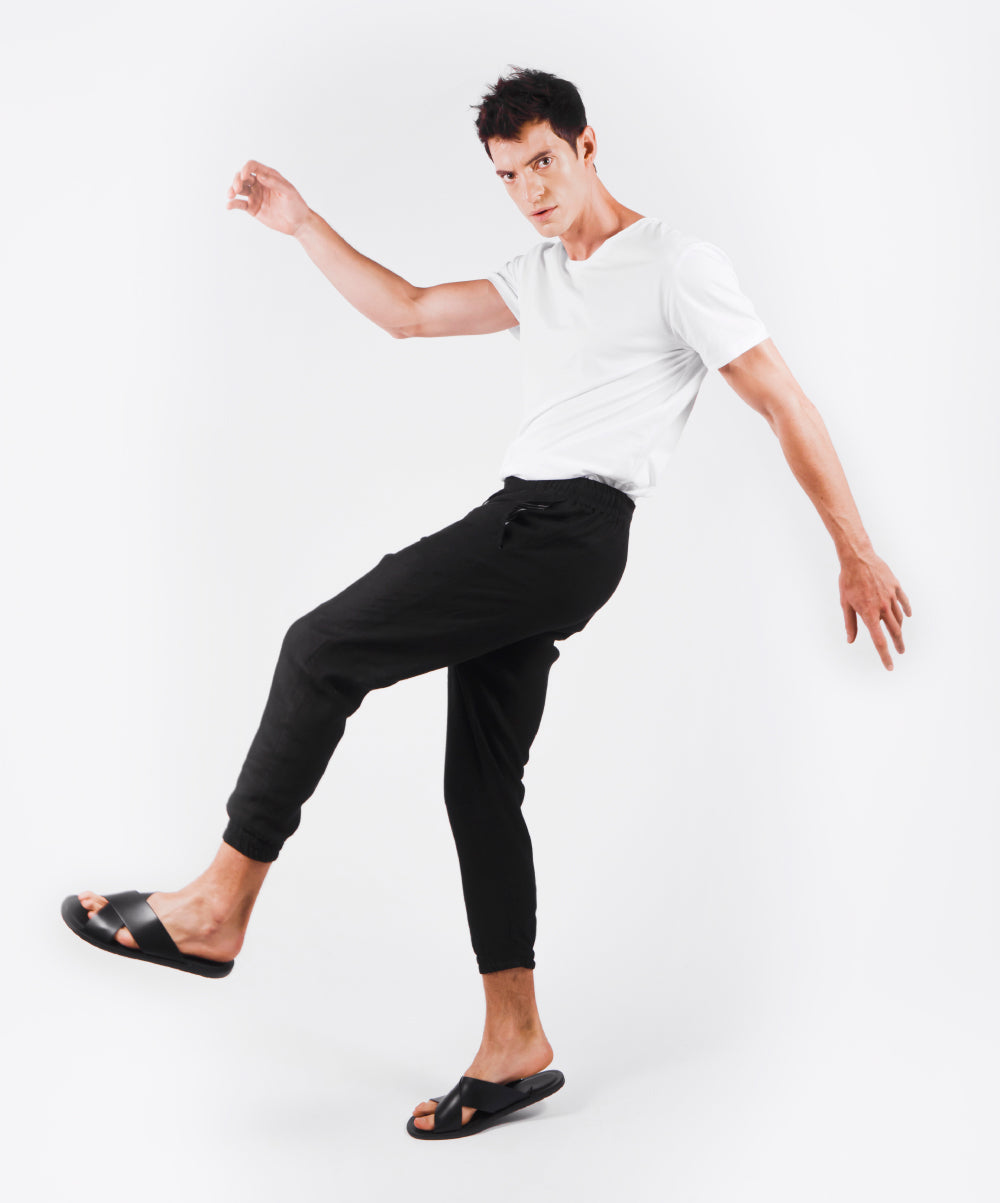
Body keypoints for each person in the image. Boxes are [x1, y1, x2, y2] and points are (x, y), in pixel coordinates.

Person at [60, 66, 911, 1140]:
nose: (531, 191)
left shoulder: (675, 263)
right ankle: (516, 1040)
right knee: (479, 783)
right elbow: (411, 313)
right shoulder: (538, 274)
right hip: (536, 526)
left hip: (563, 527)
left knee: (320, 648)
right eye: (509, 176)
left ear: (587, 146)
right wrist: (303, 224)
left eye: (544, 162)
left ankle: (217, 906)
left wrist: (855, 549)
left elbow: (780, 396)